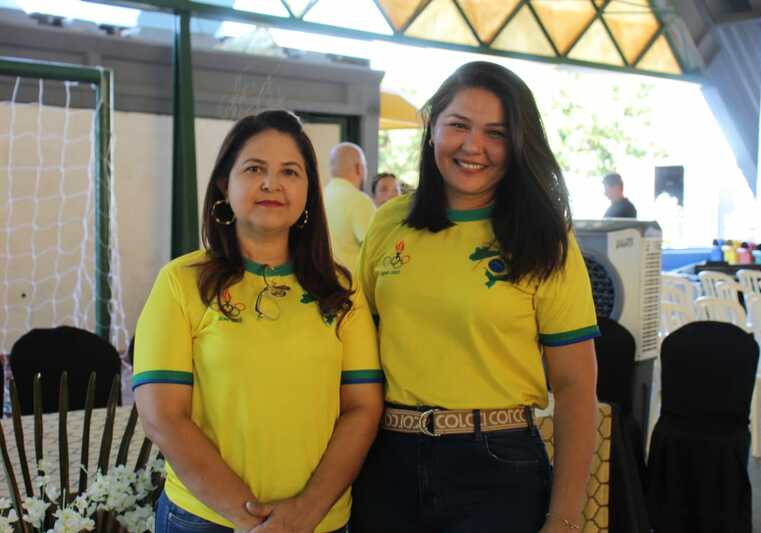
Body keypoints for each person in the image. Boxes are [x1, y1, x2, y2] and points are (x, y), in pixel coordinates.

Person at [350, 61, 600, 533]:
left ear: (518, 143)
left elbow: (575, 386)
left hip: (498, 467)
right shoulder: (389, 222)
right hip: (386, 462)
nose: (473, 146)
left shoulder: (545, 237)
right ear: (432, 128)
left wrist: (566, 518)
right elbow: (355, 353)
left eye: (496, 133)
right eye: (459, 125)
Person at [133, 110, 384, 533]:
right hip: (205, 520)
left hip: (319, 522)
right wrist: (252, 519)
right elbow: (163, 417)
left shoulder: (342, 290)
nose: (272, 184)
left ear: (309, 191)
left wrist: (305, 512)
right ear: (223, 184)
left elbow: (362, 408)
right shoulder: (181, 282)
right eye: (254, 169)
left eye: (290, 171)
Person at [323, 143, 376, 272]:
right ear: (359, 168)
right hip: (351, 282)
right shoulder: (360, 201)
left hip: (320, 280)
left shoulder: (318, 198)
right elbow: (376, 249)